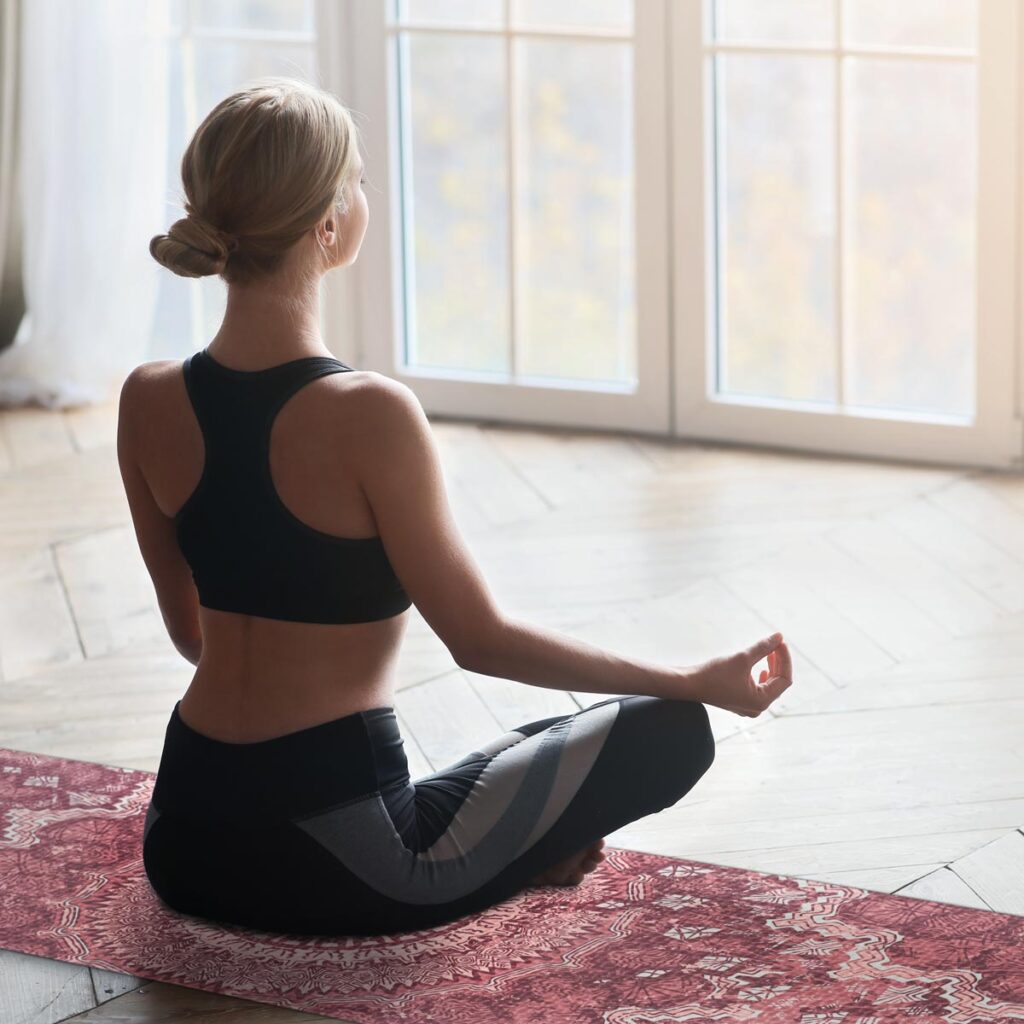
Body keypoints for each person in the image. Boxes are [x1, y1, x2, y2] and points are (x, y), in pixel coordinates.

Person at [119, 76, 793, 937]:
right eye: (357, 179)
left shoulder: (145, 398)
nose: (366, 194)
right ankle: (521, 855)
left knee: (533, 743)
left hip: (183, 843)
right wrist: (690, 680)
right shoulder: (370, 414)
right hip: (342, 864)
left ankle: (514, 842)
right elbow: (480, 641)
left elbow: (192, 637)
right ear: (328, 225)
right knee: (667, 729)